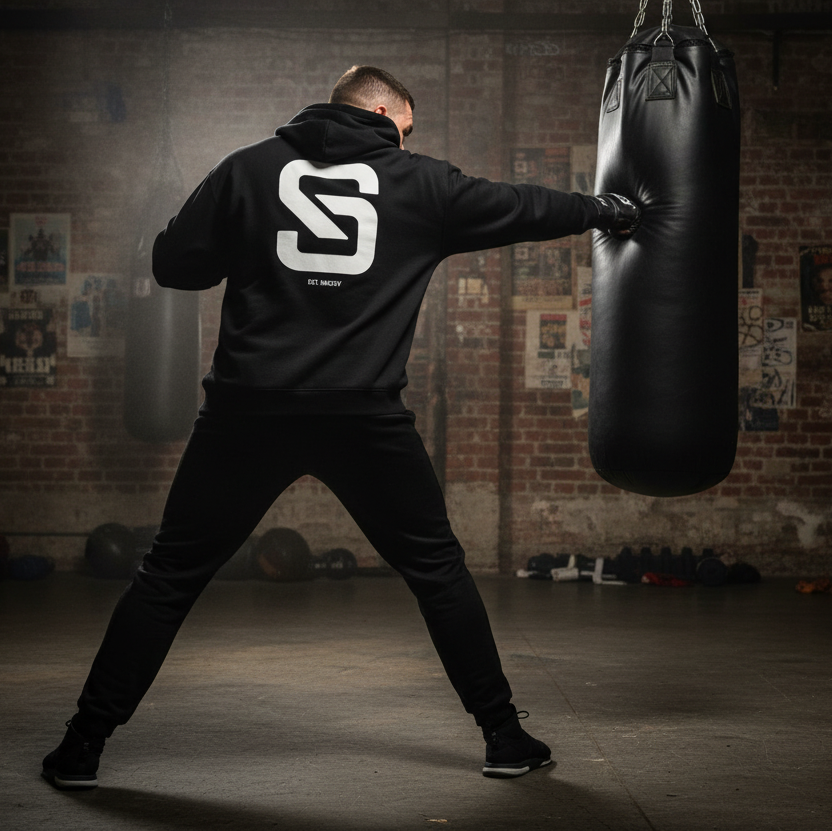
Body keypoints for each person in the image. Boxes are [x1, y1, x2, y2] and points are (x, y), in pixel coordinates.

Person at [41, 65, 640, 790]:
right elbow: (525, 208)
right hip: (361, 417)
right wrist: (608, 209)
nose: (406, 137)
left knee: (167, 577)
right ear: (383, 107)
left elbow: (172, 266)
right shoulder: (423, 185)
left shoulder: (249, 169)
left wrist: (252, 240)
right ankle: (505, 738)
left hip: (248, 410)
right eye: (406, 124)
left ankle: (80, 748)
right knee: (438, 571)